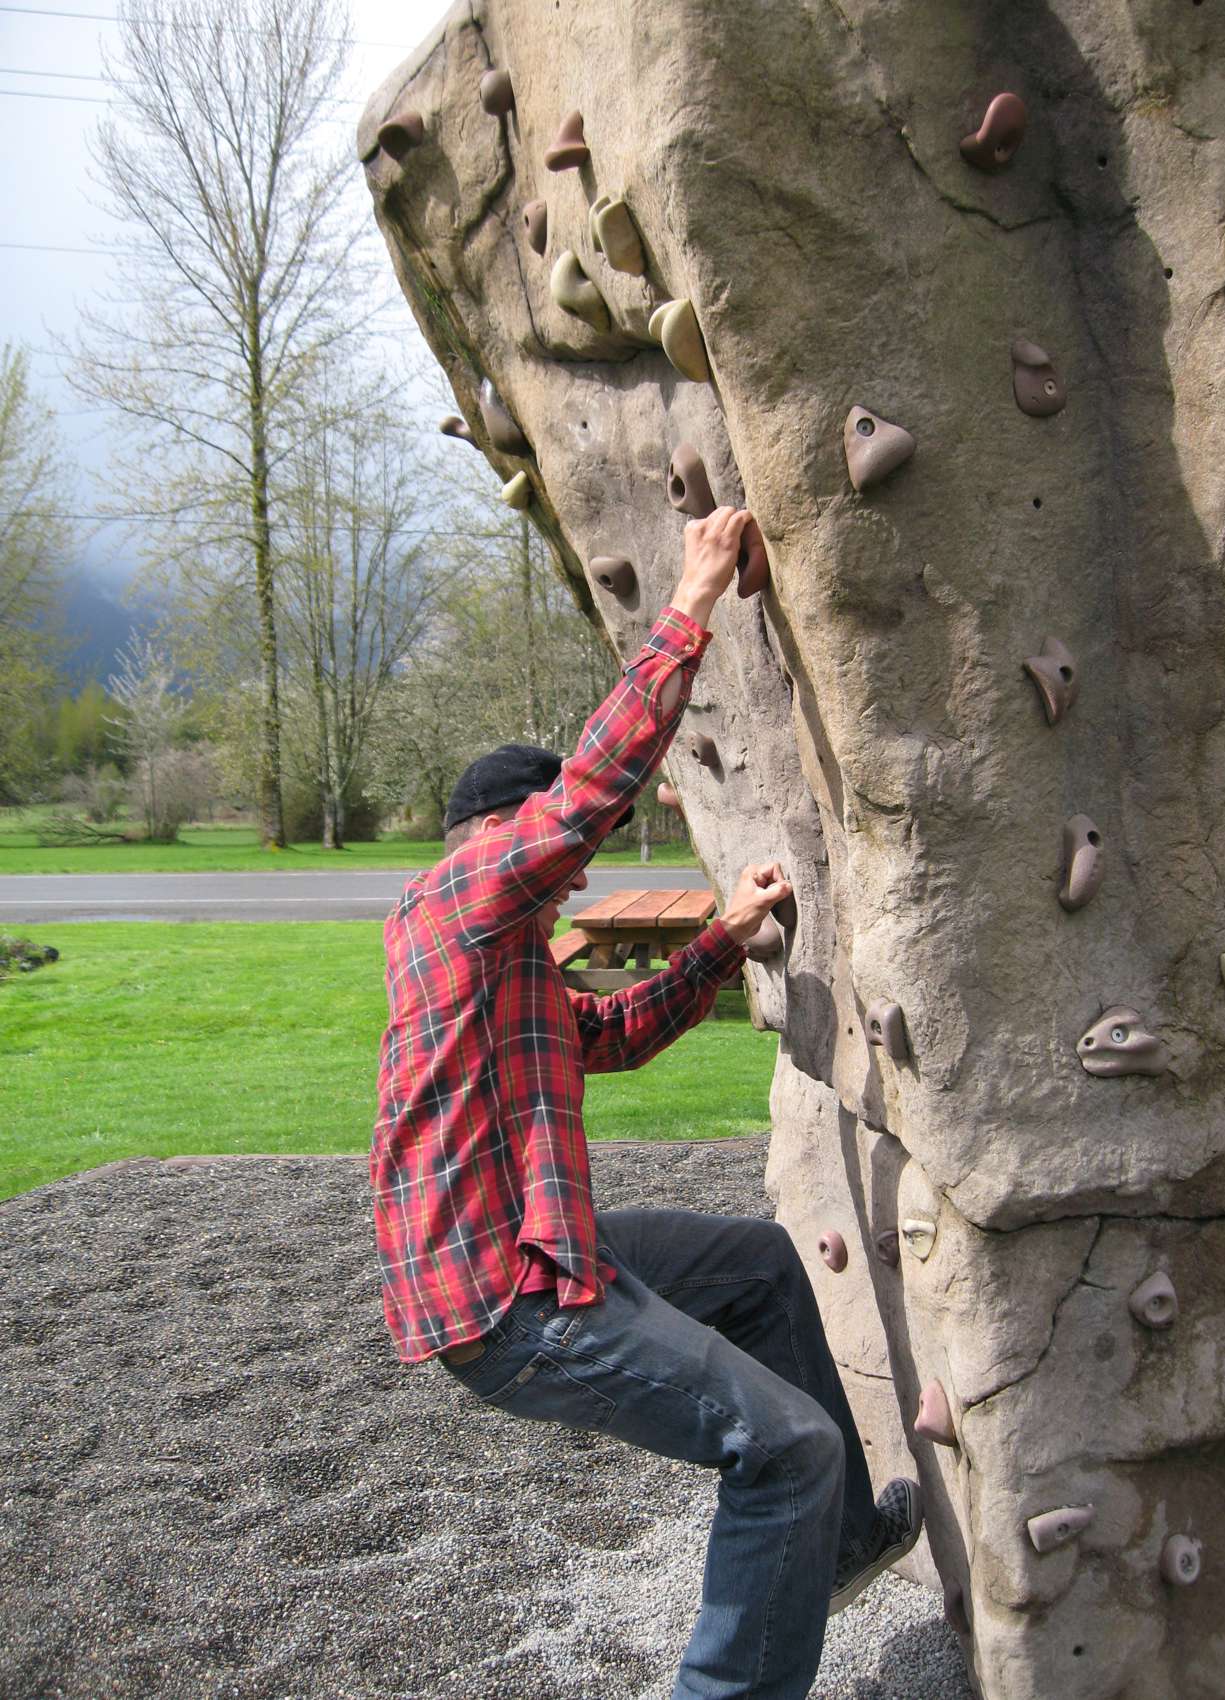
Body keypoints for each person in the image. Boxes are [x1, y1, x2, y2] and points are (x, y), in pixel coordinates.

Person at [372, 505, 923, 1700]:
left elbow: (610, 1035)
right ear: (502, 837)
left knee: (762, 1266)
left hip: (539, 1248)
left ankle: (833, 1549)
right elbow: (583, 793)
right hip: (509, 1297)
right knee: (786, 1444)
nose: (581, 875)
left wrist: (726, 937)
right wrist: (693, 599)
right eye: (571, 857)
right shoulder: (462, 897)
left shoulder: (497, 955)